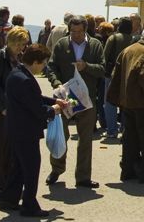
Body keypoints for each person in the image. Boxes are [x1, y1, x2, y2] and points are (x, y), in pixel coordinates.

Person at [0, 43, 69, 217]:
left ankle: (8, 198)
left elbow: (33, 98)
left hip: (16, 129)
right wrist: (54, 110)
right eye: (43, 63)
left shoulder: (18, 74)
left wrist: (53, 102)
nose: (44, 67)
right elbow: (36, 108)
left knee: (18, 167)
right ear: (35, 62)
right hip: (25, 131)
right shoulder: (25, 80)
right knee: (31, 168)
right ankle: (29, 204)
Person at [44, 16, 104, 189]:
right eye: (73, 32)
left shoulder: (95, 45)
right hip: (64, 98)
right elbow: (51, 67)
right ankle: (56, 169)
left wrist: (87, 67)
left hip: (87, 98)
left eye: (79, 32)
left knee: (85, 139)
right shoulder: (62, 44)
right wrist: (56, 83)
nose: (76, 35)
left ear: (85, 30)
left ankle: (83, 177)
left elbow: (102, 68)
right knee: (60, 135)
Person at [106, 25, 144, 184]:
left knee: (129, 137)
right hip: (143, 102)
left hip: (127, 101)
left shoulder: (128, 49)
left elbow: (115, 74)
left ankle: (127, 170)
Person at [0, 27, 30, 193]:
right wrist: (3, 106)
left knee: (12, 148)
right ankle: (0, 184)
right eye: (17, 44)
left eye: (22, 44)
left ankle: (10, 182)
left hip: (14, 109)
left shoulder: (19, 58)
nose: (19, 47)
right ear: (9, 42)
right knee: (0, 147)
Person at [101, 17, 134, 142]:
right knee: (126, 103)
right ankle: (125, 129)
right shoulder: (133, 39)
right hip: (128, 75)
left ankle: (112, 130)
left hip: (112, 74)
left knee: (109, 103)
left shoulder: (113, 38)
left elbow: (104, 56)